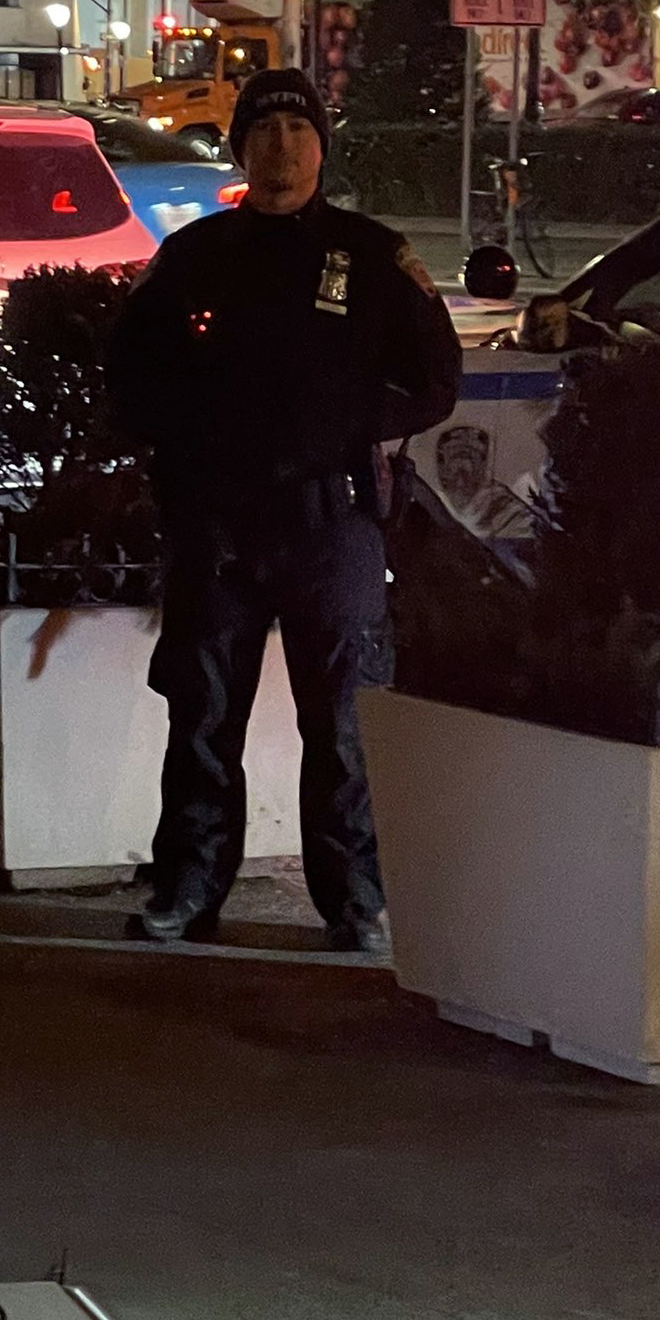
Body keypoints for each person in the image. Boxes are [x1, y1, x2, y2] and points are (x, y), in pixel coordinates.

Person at [109, 66, 462, 950]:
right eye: (264, 132)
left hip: (328, 525)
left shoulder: (371, 257)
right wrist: (188, 453)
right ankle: (188, 889)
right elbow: (131, 375)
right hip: (220, 529)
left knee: (343, 727)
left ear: (323, 148)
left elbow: (435, 380)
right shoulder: (195, 258)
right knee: (201, 719)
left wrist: (349, 426)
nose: (283, 149)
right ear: (239, 148)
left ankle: (356, 901)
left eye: (299, 133)